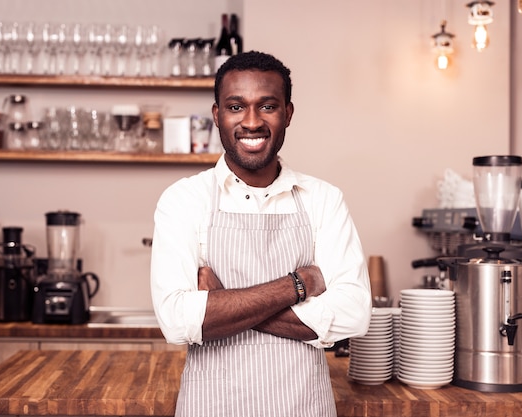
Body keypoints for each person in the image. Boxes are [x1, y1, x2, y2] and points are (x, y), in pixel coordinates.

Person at [150, 50, 372, 417]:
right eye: (236, 107)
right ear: (217, 115)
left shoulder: (323, 199)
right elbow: (177, 320)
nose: (251, 122)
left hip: (304, 408)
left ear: (288, 113)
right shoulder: (184, 199)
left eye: (267, 106)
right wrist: (298, 284)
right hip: (212, 408)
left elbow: (354, 312)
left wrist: (222, 303)